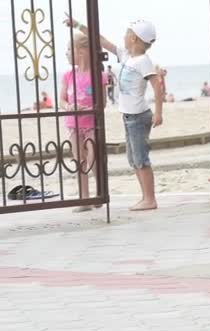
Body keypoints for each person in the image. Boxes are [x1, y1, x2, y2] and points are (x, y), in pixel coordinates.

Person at [65, 15, 164, 211]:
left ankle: (150, 199)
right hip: (128, 117)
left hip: (138, 117)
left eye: (126, 33)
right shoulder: (126, 56)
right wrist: (77, 25)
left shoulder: (143, 61)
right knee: (134, 159)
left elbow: (157, 85)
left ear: (134, 38)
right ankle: (145, 197)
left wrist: (159, 112)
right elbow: (101, 40)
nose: (123, 37)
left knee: (141, 158)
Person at [60, 32, 108, 212]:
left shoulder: (98, 75)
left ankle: (99, 194)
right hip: (73, 124)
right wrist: (69, 106)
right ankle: (84, 198)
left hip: (91, 124)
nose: (66, 53)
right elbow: (62, 100)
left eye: (69, 49)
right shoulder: (67, 75)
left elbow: (102, 103)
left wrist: (87, 110)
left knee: (93, 159)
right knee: (79, 161)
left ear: (82, 51)